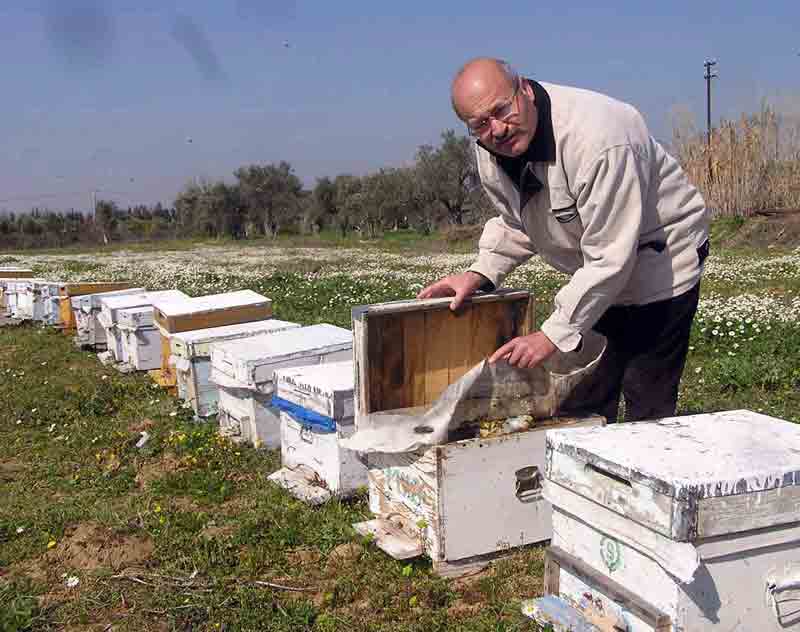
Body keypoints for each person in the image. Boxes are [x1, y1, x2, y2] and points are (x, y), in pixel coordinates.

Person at [418, 58, 710, 423]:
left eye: (501, 110)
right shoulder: (491, 149)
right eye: (479, 123)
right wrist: (478, 273)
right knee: (582, 394)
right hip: (599, 271)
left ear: (524, 89)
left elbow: (610, 257)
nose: (497, 129)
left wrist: (551, 335)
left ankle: (646, 463)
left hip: (661, 257)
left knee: (645, 397)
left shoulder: (600, 139)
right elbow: (519, 220)